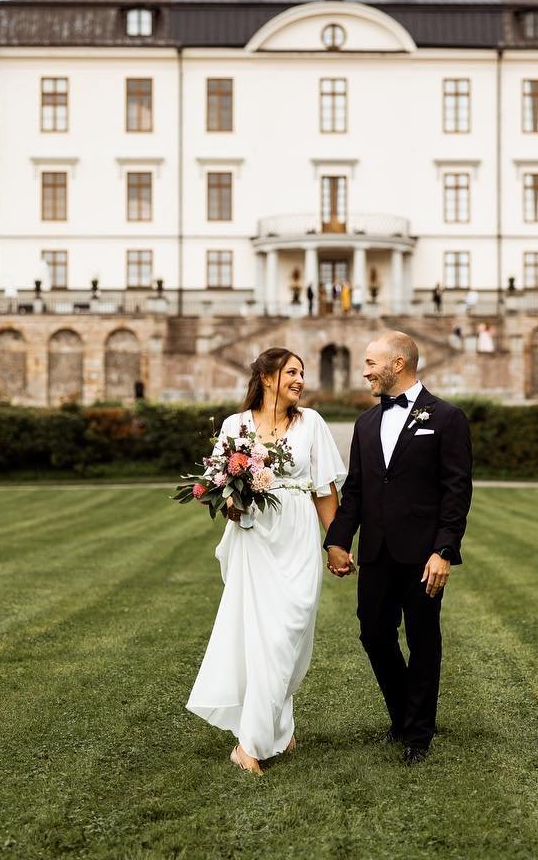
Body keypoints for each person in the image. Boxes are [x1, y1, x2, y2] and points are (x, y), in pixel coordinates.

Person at [187, 348, 347, 775]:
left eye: (302, 373)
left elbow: (325, 489)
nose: (300, 380)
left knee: (293, 631)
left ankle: (280, 724)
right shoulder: (234, 426)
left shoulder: (311, 422)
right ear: (267, 377)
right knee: (265, 636)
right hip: (255, 537)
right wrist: (232, 503)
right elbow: (220, 484)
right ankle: (251, 744)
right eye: (292, 372)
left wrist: (336, 543)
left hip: (297, 532)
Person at [324, 332, 473, 766]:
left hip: (424, 555)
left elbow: (456, 491)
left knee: (424, 640)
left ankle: (417, 735)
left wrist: (444, 550)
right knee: (373, 635)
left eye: (371, 363)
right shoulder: (366, 423)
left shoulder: (447, 418)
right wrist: (336, 540)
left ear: (399, 363)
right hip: (376, 554)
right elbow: (356, 491)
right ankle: (405, 713)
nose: (365, 370)